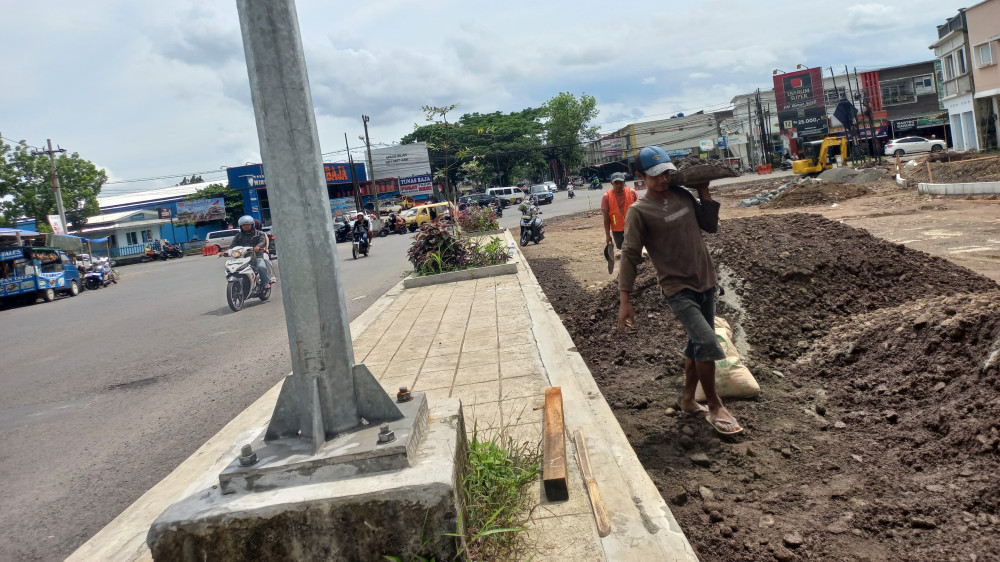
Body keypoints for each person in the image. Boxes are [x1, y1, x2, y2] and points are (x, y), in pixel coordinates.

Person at [617, 146, 743, 435]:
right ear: (640, 177)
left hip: (707, 282)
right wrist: (625, 300)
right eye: (656, 174)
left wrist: (703, 191)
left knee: (697, 344)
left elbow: (709, 226)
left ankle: (688, 400)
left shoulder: (682, 195)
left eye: (667, 172)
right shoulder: (639, 211)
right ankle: (714, 405)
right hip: (678, 289)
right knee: (708, 343)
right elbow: (630, 255)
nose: (663, 178)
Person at [601, 171, 639, 252]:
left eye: (621, 183)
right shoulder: (606, 197)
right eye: (616, 183)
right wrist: (608, 235)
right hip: (617, 231)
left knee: (635, 250)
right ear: (611, 183)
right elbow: (606, 218)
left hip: (633, 228)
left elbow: (640, 211)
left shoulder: (632, 193)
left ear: (624, 182)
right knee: (623, 251)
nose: (619, 185)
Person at [231, 215, 270, 289]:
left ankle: (265, 283)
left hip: (256, 256)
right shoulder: (238, 236)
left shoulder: (260, 234)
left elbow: (262, 242)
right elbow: (233, 246)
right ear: (241, 226)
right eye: (243, 225)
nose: (245, 226)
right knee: (235, 269)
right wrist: (226, 252)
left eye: (247, 225)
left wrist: (258, 246)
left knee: (261, 267)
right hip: (242, 257)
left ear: (252, 225)